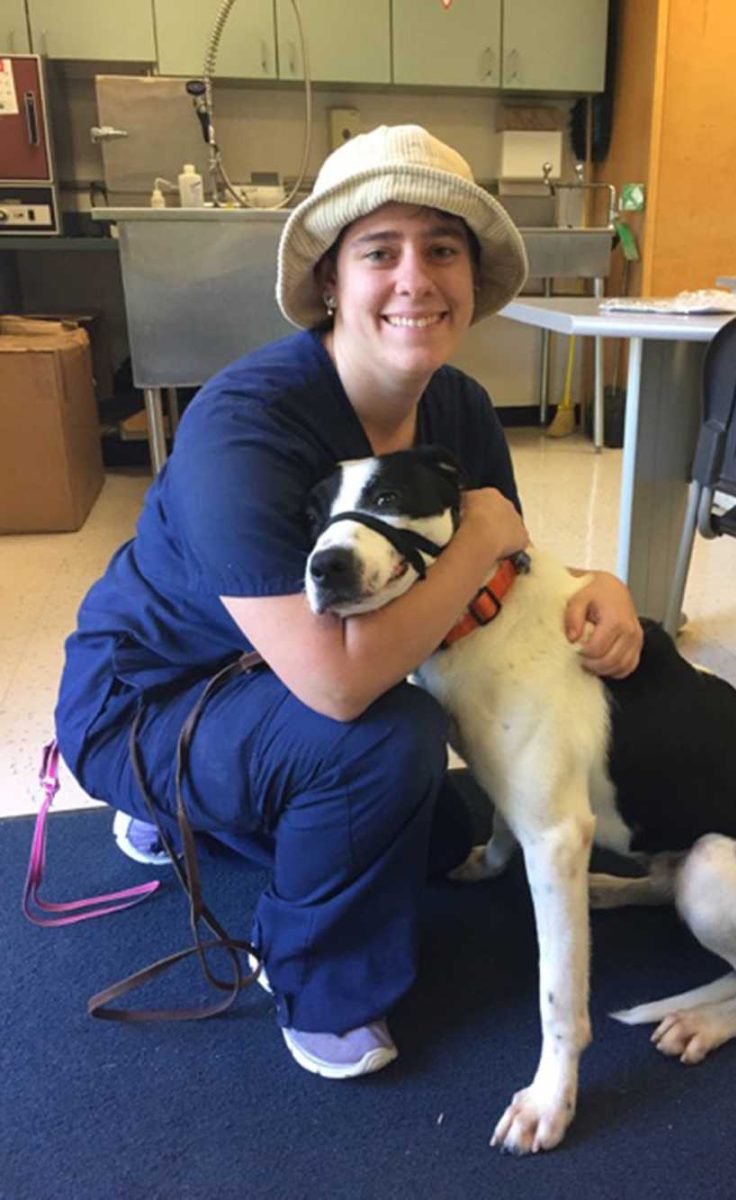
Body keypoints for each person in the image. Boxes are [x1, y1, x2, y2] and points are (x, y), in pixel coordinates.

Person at [55, 125, 643, 1078]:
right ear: (331, 280)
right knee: (385, 740)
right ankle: (314, 985)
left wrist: (598, 586)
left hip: (272, 681)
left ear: (471, 276)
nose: (417, 278)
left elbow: (503, 586)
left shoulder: (457, 408)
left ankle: (200, 813)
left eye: (442, 249)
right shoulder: (243, 424)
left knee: (439, 832)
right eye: (381, 251)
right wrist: (490, 531)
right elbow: (339, 684)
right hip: (150, 695)